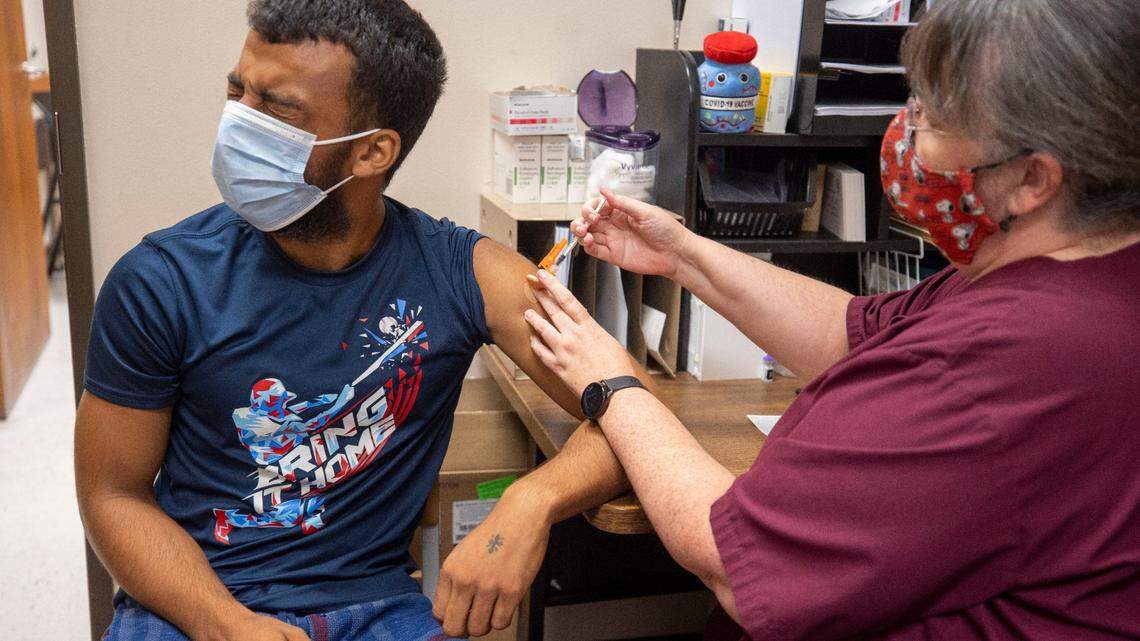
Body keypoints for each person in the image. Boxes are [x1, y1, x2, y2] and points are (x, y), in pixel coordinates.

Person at [524, 0, 1140, 639]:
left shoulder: (1003, 361)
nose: (905, 133)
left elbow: (731, 559)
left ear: (1031, 178)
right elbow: (851, 333)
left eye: (930, 116)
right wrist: (682, 253)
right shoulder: (1076, 271)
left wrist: (612, 382)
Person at [76, 2, 651, 640]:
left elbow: (634, 413)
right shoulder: (160, 280)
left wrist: (532, 501)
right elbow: (113, 494)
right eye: (237, 90)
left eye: (276, 106)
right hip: (197, 604)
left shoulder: (462, 272)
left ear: (373, 151)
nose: (238, 120)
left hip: (379, 610)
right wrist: (228, 626)